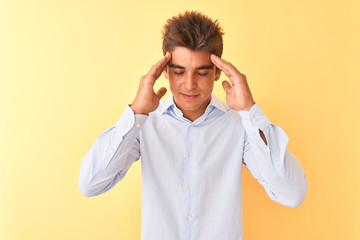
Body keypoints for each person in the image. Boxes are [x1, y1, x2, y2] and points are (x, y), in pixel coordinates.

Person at [78, 11, 307, 240]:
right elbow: (90, 184)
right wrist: (136, 112)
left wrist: (250, 111)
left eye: (201, 72)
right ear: (165, 72)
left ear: (218, 72)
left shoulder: (240, 125)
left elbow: (292, 194)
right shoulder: (144, 124)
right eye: (179, 71)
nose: (189, 84)